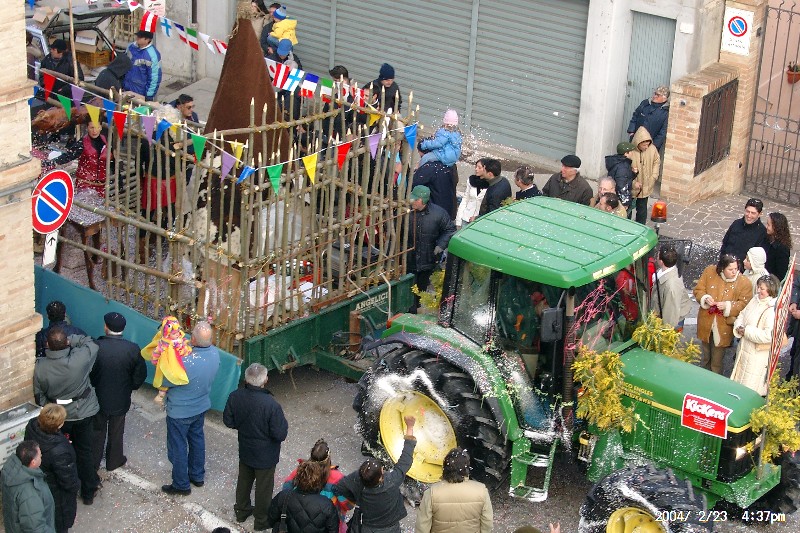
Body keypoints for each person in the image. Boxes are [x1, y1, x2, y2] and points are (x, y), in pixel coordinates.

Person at [33, 327, 102, 505]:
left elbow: (39, 395)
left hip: (59, 416)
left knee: (60, 451)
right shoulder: (78, 360)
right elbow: (90, 342)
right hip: (83, 411)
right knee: (85, 451)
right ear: (66, 343)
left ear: (47, 344)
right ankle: (88, 491)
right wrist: (71, 339)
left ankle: (64, 485)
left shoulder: (41, 366)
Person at [223, 363, 289, 529]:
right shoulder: (271, 405)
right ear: (265, 380)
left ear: (246, 379)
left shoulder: (235, 396)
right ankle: (261, 521)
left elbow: (228, 421)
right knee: (263, 488)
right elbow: (280, 434)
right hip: (266, 455)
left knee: (244, 480)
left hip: (245, 448)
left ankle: (241, 511)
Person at [161, 321, 220, 496]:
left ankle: (180, 484)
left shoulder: (185, 361)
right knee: (197, 440)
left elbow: (166, 381)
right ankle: (197, 475)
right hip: (200, 406)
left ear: (193, 338)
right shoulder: (215, 354)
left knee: (178, 446)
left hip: (180, 411)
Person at [335, 416, 417, 533]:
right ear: (380, 476)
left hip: (367, 528)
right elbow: (406, 460)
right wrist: (410, 427)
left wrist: (356, 498)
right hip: (391, 529)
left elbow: (340, 487)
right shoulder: (392, 481)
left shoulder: (359, 480)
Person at [90, 312, 147, 472]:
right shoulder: (132, 349)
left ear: (105, 327)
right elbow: (140, 374)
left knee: (97, 430)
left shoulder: (96, 347)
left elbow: (90, 371)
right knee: (116, 430)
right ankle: (114, 460)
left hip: (98, 396)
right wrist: (131, 386)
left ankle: (94, 461)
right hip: (121, 397)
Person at [24, 404, 80, 533]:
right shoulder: (59, 451)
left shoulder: (32, 426)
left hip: (39, 483)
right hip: (56, 493)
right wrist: (77, 485)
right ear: (59, 425)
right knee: (59, 524)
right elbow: (68, 480)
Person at [693, 255, 752, 374]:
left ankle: (715, 381)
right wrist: (705, 298)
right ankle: (702, 377)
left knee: (717, 361)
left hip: (724, 326)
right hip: (706, 322)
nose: (734, 272)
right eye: (730, 269)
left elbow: (744, 304)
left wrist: (727, 306)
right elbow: (699, 290)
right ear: (722, 269)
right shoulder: (709, 271)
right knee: (705, 356)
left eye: (736, 268)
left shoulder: (744, 282)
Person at [415, 448, 492, 533]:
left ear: (445, 467)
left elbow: (422, 526)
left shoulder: (432, 493)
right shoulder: (481, 491)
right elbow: (487, 523)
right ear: (467, 468)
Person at [282, 439, 352, 533]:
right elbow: (348, 505)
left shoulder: (301, 471)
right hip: (328, 521)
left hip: (300, 518)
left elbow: (286, 491)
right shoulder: (338, 478)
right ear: (329, 457)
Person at [407, 185, 457, 311]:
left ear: (422, 200)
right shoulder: (405, 212)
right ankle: (409, 309)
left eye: (415, 199)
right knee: (408, 289)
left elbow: (450, 229)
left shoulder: (438, 214)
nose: (411, 201)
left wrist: (440, 245)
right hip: (408, 259)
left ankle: (416, 307)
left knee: (421, 288)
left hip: (427, 259)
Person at [731, 274, 780, 395]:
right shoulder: (755, 300)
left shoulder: (772, 310)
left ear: (771, 290)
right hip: (744, 350)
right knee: (738, 384)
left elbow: (769, 335)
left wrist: (746, 331)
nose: (758, 290)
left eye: (762, 288)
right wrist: (738, 327)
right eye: (758, 287)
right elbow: (742, 314)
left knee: (748, 389)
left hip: (757, 356)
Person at [267, 461, 338, 533]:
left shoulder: (283, 496)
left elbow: (271, 519)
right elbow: (333, 530)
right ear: (319, 481)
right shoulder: (327, 505)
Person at [2, 441, 56, 533]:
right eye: (40, 455)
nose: (41, 456)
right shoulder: (29, 493)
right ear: (33, 462)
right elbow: (35, 528)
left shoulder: (13, 471)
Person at [50, 120, 111, 196]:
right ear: (87, 128)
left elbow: (112, 160)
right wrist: (52, 162)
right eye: (92, 127)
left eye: (97, 127)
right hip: (85, 184)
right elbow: (68, 156)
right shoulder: (82, 143)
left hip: (102, 186)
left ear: (101, 128)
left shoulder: (105, 140)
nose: (94, 131)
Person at [142, 316, 193, 404]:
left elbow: (184, 348)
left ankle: (173, 392)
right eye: (174, 333)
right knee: (164, 380)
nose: (177, 334)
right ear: (167, 334)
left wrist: (185, 348)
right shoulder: (163, 344)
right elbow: (156, 353)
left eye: (177, 332)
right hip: (166, 365)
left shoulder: (180, 339)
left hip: (177, 363)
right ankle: (160, 396)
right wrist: (155, 360)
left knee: (177, 377)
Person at [649, 246, 692, 331]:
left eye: (657, 256)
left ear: (661, 261)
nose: (656, 257)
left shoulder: (671, 286)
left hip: (671, 323)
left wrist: (665, 331)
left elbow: (670, 314)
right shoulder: (666, 274)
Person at [719, 198, 767, 265]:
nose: (749, 215)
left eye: (753, 213)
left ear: (759, 214)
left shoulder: (762, 232)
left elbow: (757, 257)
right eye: (747, 211)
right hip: (726, 263)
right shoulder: (736, 223)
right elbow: (725, 243)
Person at [629, 127, 661, 224]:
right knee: (629, 209)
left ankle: (641, 227)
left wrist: (654, 176)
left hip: (646, 185)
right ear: (638, 143)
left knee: (642, 210)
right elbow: (626, 170)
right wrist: (633, 183)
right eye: (644, 145)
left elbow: (657, 161)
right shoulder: (630, 152)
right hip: (633, 187)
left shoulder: (652, 149)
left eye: (647, 145)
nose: (646, 147)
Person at [627, 86, 670, 153]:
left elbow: (663, 132)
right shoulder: (645, 103)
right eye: (654, 93)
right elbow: (635, 116)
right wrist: (631, 132)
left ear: (664, 98)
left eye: (657, 95)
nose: (654, 96)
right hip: (635, 140)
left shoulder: (665, 112)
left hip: (649, 146)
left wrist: (653, 146)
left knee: (646, 163)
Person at [123, 30, 162, 101]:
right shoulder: (131, 47)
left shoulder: (152, 55)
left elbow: (154, 77)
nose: (137, 38)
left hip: (140, 92)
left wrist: (148, 96)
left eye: (140, 37)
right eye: (138, 35)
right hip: (127, 87)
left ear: (147, 40)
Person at [604, 142, 636, 213]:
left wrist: (634, 173)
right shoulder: (623, 167)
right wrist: (625, 203)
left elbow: (624, 178)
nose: (633, 153)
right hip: (619, 201)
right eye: (631, 152)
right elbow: (622, 186)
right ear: (626, 153)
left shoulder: (617, 162)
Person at [764, 212, 792, 280]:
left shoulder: (782, 248)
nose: (766, 227)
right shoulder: (767, 238)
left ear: (776, 227)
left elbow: (781, 273)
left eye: (768, 225)